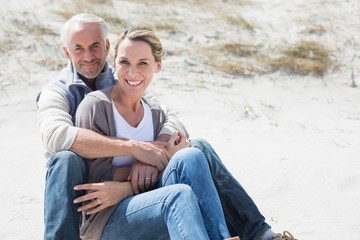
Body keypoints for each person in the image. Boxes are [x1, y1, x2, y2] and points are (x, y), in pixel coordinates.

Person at [36, 13, 296, 240]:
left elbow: (172, 120)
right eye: (78, 48)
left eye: (94, 46)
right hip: (92, 200)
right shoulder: (64, 94)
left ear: (106, 48)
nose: (88, 55)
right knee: (66, 159)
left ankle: (259, 235)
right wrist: (136, 149)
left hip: (142, 195)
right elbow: (56, 135)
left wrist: (154, 155)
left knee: (195, 151)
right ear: (67, 52)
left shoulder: (126, 79)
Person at [73, 26, 234, 239]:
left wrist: (147, 165)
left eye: (143, 63)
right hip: (107, 222)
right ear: (114, 63)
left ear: (157, 66)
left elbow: (174, 152)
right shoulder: (96, 107)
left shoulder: (156, 113)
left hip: (154, 206)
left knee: (192, 155)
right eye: (124, 62)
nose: (132, 72)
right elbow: (96, 182)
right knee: (179, 195)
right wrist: (143, 163)